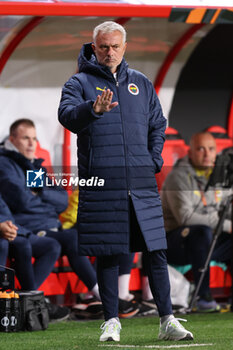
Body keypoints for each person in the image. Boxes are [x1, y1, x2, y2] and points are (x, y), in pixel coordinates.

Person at [58, 21, 193, 342]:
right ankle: (111, 321)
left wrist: (154, 158)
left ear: (124, 47)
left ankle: (167, 321)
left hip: (142, 181)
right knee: (108, 251)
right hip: (103, 182)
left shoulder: (141, 83)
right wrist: (93, 109)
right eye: (103, 46)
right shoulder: (79, 82)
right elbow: (66, 116)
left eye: (115, 46)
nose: (109, 52)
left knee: (156, 251)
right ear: (94, 47)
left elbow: (158, 123)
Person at [0, 118, 101, 304]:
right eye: (26, 138)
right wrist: (40, 197)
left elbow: (62, 200)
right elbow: (22, 201)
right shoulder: (5, 163)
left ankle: (98, 293)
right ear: (13, 140)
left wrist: (38, 192)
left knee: (95, 235)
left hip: (50, 225)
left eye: (35, 139)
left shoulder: (33, 166)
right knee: (70, 238)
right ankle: (99, 293)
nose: (32, 144)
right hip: (27, 227)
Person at [161, 131, 232, 312]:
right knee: (202, 231)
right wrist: (226, 225)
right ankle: (203, 296)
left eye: (211, 149)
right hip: (174, 242)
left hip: (206, 242)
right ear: (190, 153)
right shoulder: (178, 176)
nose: (207, 154)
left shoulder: (218, 176)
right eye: (200, 149)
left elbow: (226, 209)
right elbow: (185, 218)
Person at [0, 194, 70, 322]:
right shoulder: (9, 173)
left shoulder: (34, 173)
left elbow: (63, 202)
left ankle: (28, 301)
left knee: (56, 244)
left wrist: (40, 194)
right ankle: (30, 303)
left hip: (21, 225)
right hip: (30, 224)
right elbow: (23, 200)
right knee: (4, 244)